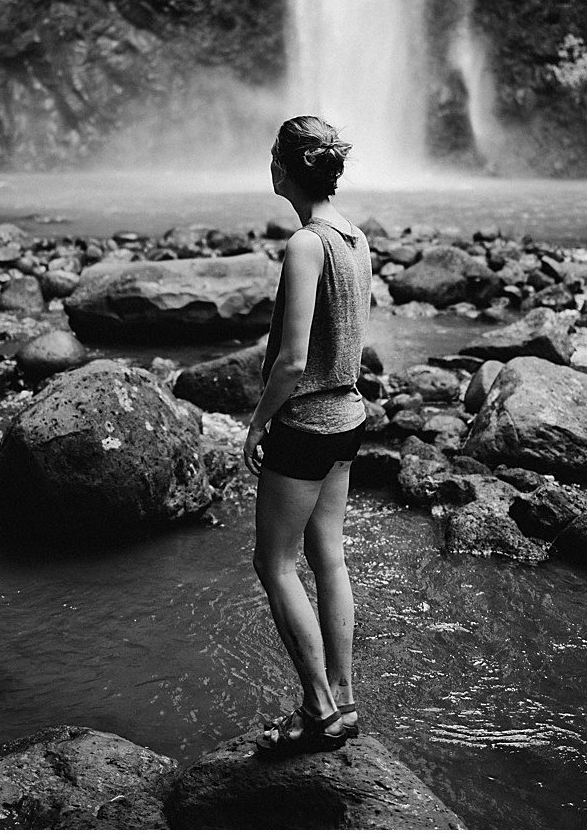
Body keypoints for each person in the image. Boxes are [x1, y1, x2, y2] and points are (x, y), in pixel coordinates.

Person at [241, 115, 371, 756]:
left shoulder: (305, 245)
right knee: (329, 557)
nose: (269, 165)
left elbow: (292, 361)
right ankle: (343, 699)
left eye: (273, 156)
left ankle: (318, 710)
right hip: (348, 415)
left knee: (273, 563)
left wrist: (258, 423)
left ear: (285, 168)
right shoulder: (356, 237)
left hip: (308, 423)